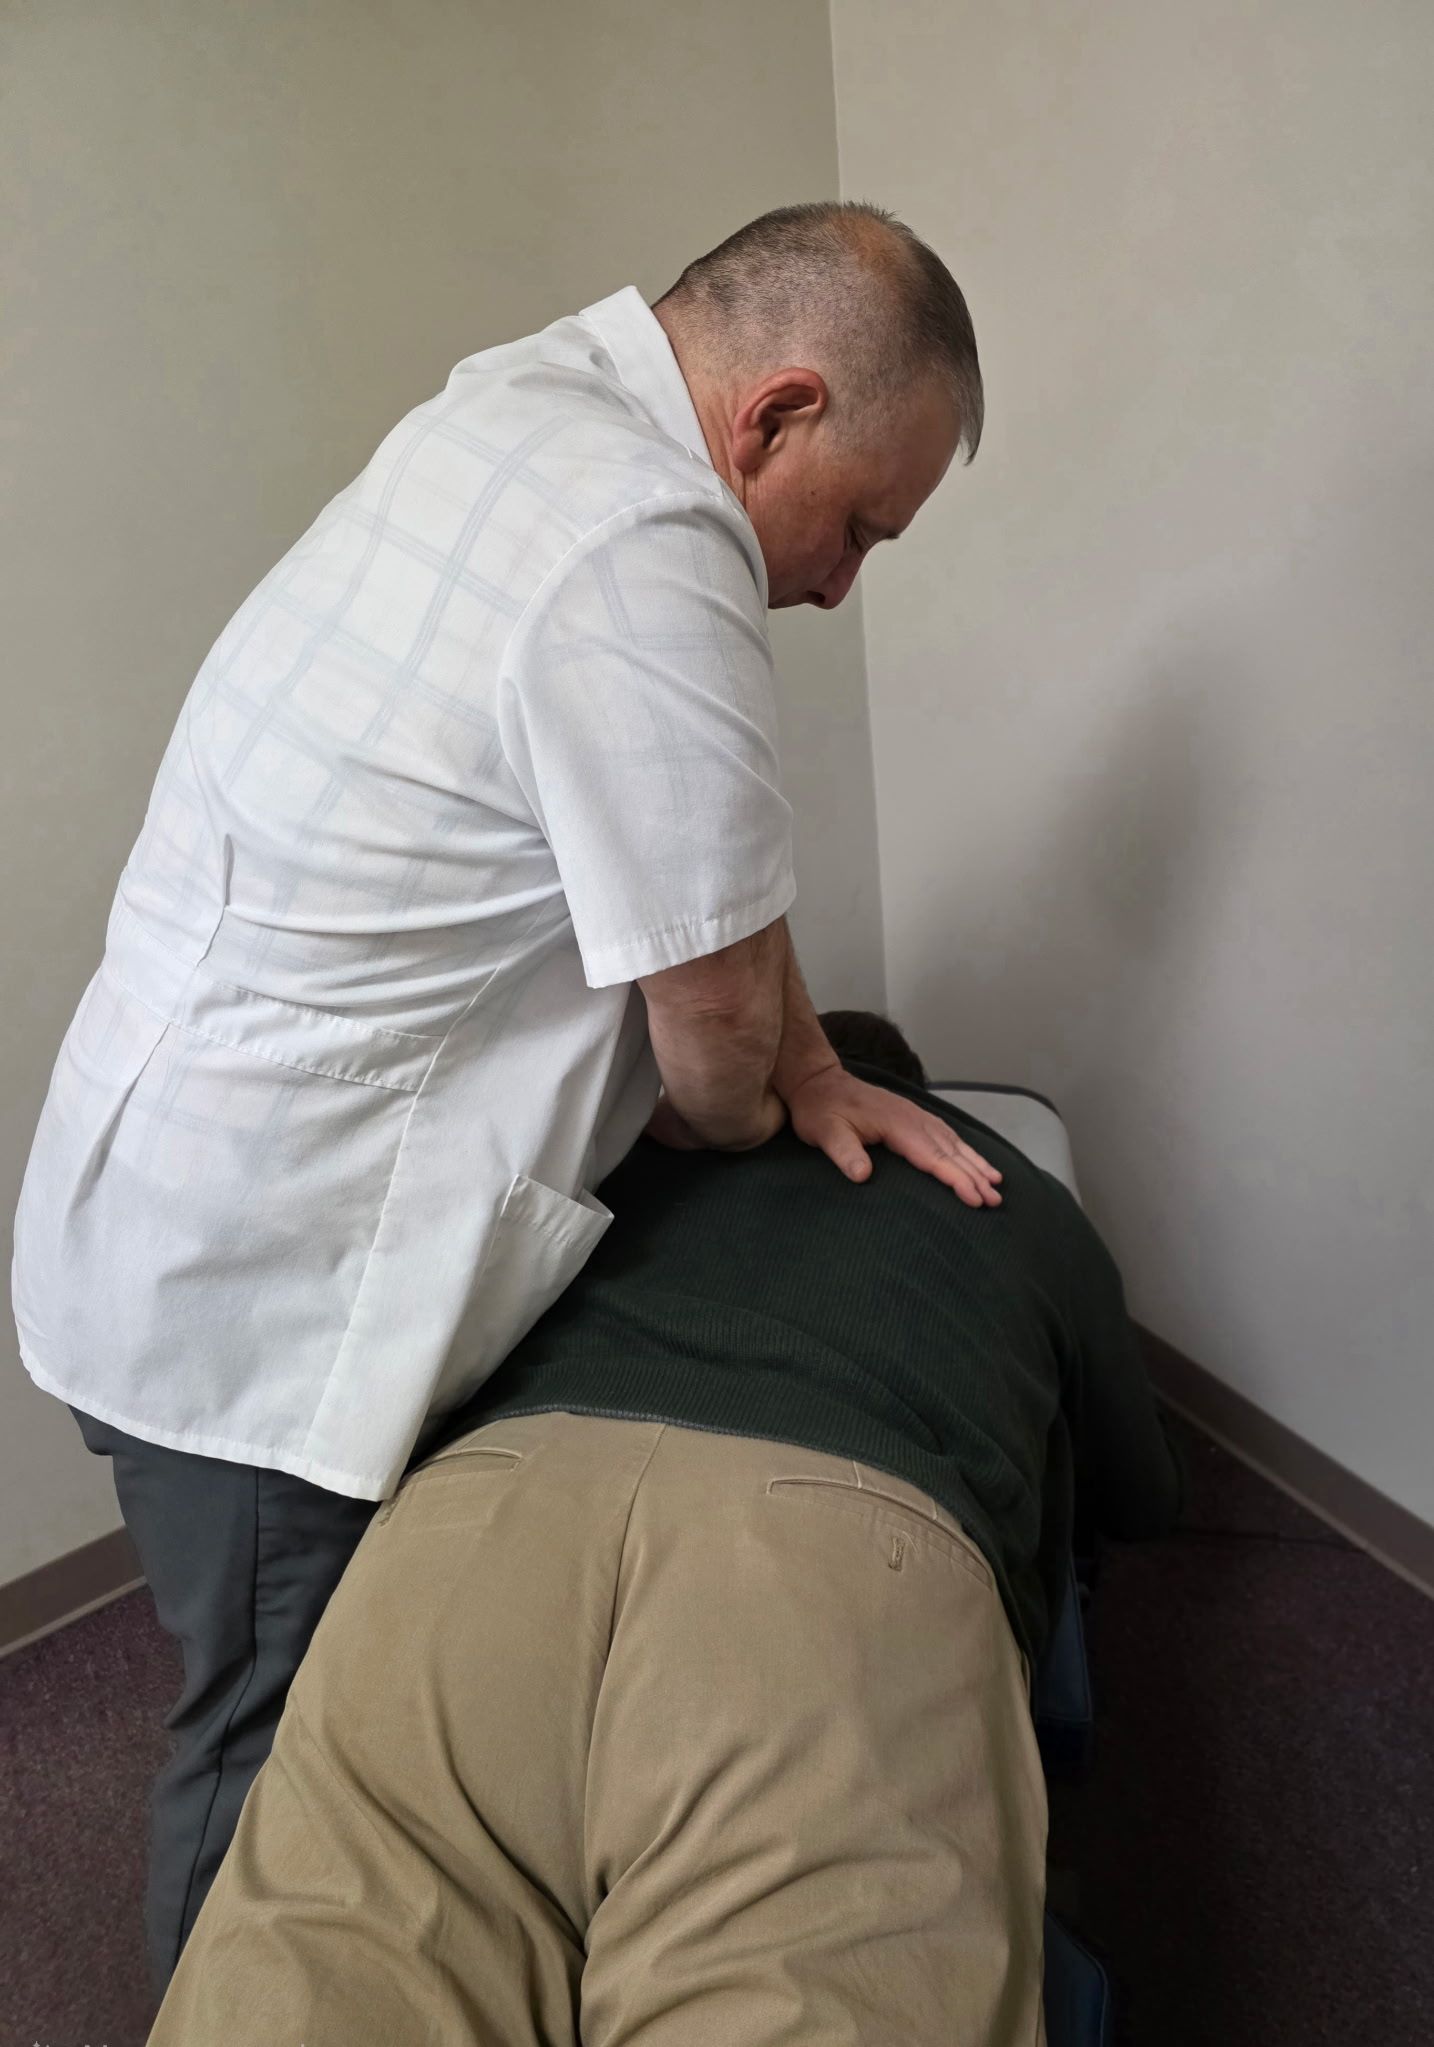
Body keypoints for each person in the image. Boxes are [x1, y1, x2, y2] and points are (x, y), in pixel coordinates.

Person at [11, 202, 1000, 1990]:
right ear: (773, 415)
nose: (843, 584)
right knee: (297, 1810)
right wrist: (759, 1118)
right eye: (856, 524)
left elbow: (711, 906)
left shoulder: (524, 406)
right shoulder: (639, 541)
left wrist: (816, 1054)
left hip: (161, 1175)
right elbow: (704, 1037)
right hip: (256, 1301)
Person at [147, 1011, 1182, 2047]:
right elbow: (1142, 1494)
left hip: (478, 1513)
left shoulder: (620, 1148)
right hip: (829, 1558)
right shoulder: (1006, 1188)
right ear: (918, 1097)